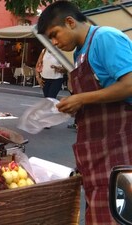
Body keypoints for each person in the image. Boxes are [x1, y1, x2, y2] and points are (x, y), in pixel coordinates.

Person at [37, 1, 132, 224]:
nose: (54, 43)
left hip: (120, 148)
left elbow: (129, 84)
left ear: (70, 22)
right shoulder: (81, 52)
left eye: (54, 34)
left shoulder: (104, 38)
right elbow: (98, 96)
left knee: (117, 215)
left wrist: (81, 98)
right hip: (97, 153)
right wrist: (75, 106)